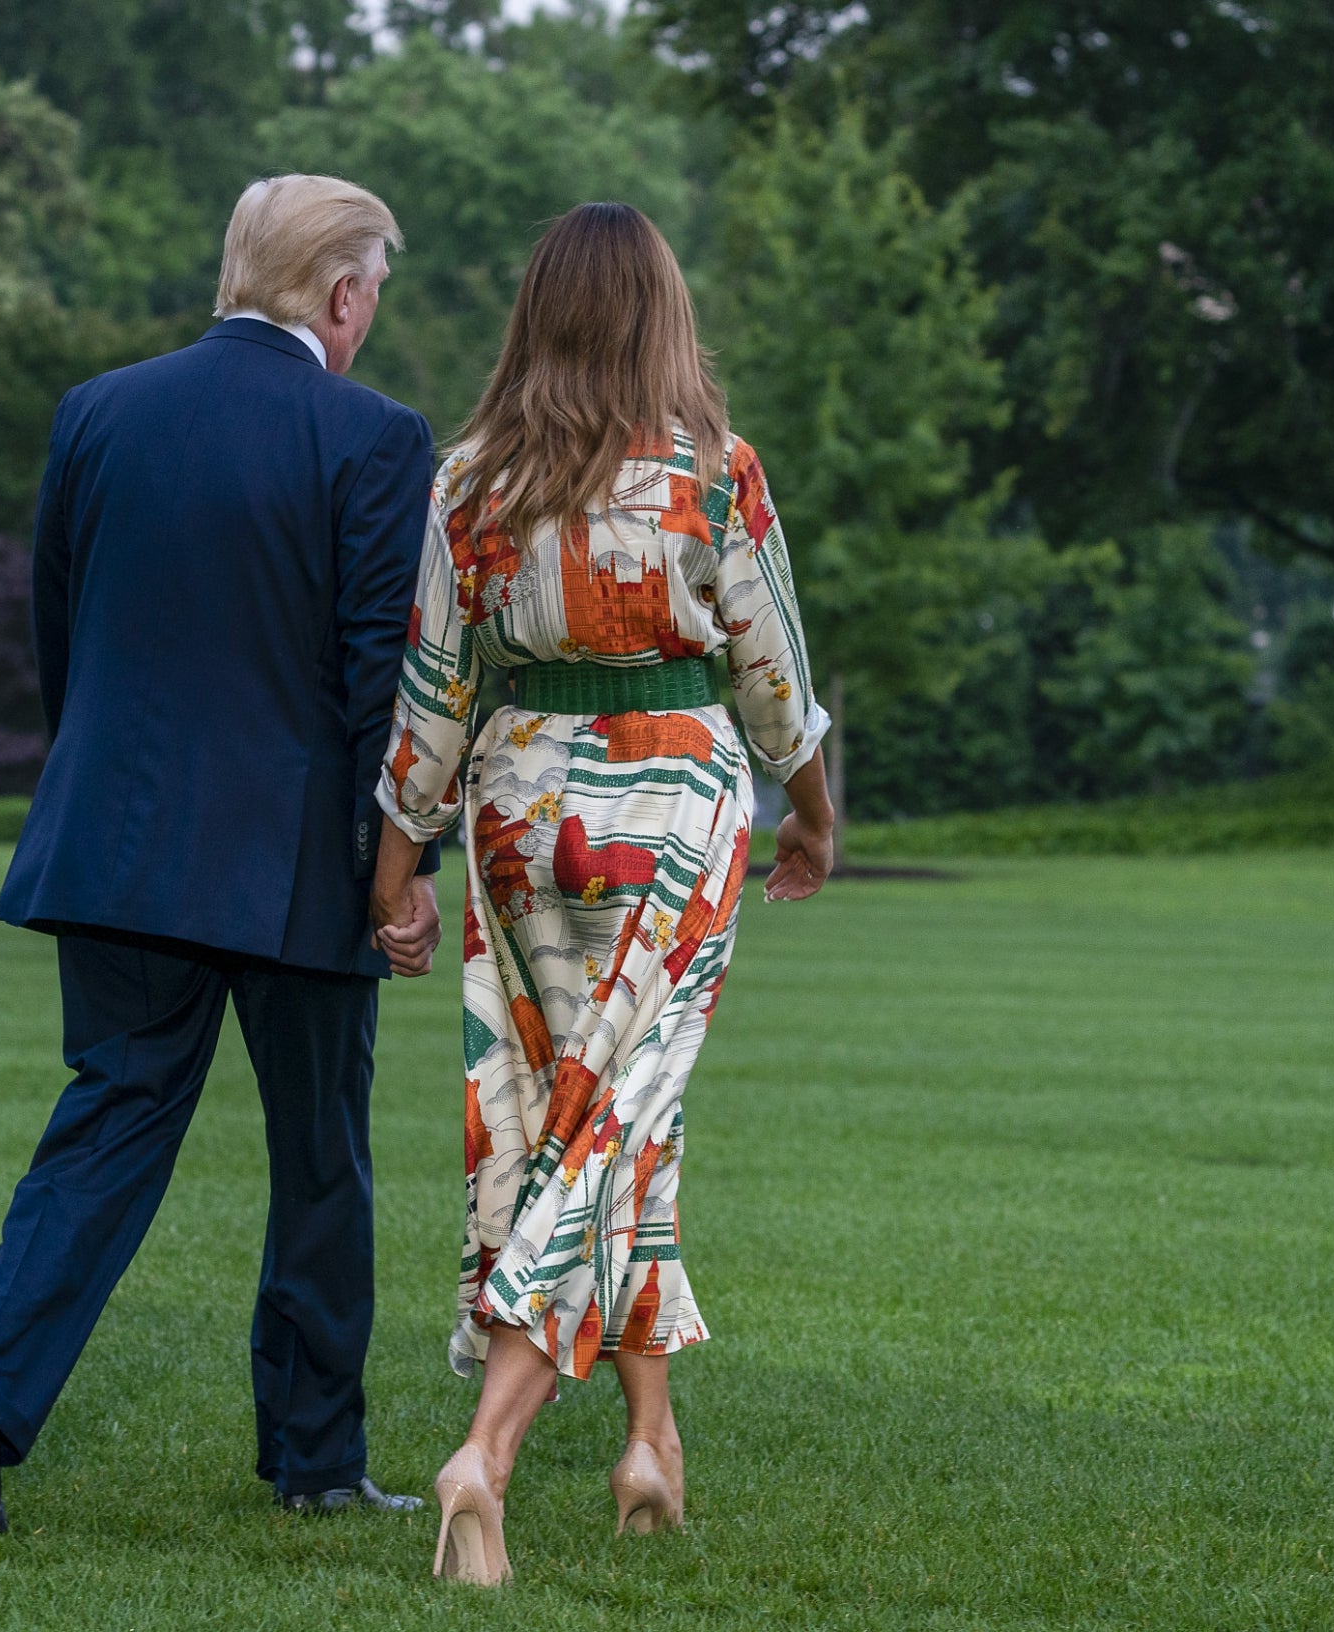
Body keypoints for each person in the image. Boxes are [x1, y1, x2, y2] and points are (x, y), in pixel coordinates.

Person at [0, 174, 446, 1537]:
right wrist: (403, 866)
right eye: (373, 291)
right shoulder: (374, 439)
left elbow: (63, 639)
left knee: (104, 1132)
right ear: (339, 294)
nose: (372, 316)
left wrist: (116, 795)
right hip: (301, 865)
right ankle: (316, 1464)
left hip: (121, 841)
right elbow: (375, 681)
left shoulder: (97, 414)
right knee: (319, 1159)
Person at [369, 201, 837, 1586]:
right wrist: (814, 818)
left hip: (522, 816)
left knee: (594, 1113)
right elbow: (774, 675)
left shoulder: (472, 480)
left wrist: (393, 868)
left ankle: (650, 1442)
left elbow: (432, 695)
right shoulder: (714, 474)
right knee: (609, 1121)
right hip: (679, 812)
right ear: (661, 316)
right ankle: (490, 1456)